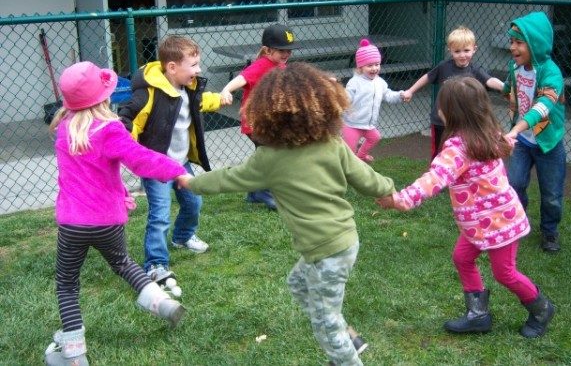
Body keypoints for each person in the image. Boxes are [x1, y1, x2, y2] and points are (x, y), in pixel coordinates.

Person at [180, 63, 396, 365]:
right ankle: (349, 339)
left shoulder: (270, 158)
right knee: (298, 284)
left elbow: (227, 178)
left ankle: (344, 353)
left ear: (267, 116)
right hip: (344, 240)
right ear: (322, 107)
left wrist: (191, 182)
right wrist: (387, 191)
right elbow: (367, 179)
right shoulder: (332, 144)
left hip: (326, 250)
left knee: (325, 322)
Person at [377, 76, 555, 339]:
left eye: (441, 106)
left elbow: (434, 179)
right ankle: (478, 315)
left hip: (500, 222)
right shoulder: (485, 132)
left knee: (504, 272)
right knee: (462, 258)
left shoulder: (458, 149)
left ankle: (542, 309)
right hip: (479, 223)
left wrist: (399, 200)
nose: (438, 110)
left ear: (453, 112)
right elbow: (502, 145)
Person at [45, 62, 187, 366]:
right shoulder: (110, 130)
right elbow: (141, 160)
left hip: (72, 223)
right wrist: (177, 171)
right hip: (108, 221)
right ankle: (160, 302)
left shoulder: (64, 130)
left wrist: (120, 192)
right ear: (103, 98)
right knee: (122, 263)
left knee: (67, 283)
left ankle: (74, 355)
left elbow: (82, 174)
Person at [119, 35, 224, 283]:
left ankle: (183, 236)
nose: (199, 70)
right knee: (160, 213)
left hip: (180, 162)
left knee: (194, 203)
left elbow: (199, 102)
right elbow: (127, 118)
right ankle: (156, 263)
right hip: (156, 166)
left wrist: (219, 99)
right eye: (194, 65)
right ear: (173, 67)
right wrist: (129, 143)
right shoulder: (148, 94)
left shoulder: (188, 88)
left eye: (198, 64)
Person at [503, 11, 566, 253]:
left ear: (535, 44)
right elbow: (507, 88)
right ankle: (519, 221)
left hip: (547, 142)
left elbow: (542, 108)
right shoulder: (515, 67)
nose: (513, 48)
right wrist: (479, 83)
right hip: (522, 142)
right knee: (515, 183)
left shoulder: (551, 72)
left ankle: (550, 231)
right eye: (512, 42)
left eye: (519, 43)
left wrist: (516, 129)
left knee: (551, 193)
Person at [219, 23, 298, 210]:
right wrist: (226, 89)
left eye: (289, 50)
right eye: (281, 50)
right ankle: (265, 192)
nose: (286, 54)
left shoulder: (280, 65)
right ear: (268, 50)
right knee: (272, 156)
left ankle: (254, 192)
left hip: (269, 123)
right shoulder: (262, 64)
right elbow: (242, 78)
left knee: (265, 156)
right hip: (256, 123)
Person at [402, 26, 504, 160]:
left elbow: (490, 80)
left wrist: (505, 86)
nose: (462, 55)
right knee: (439, 153)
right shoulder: (444, 67)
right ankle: (437, 177)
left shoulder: (476, 70)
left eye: (466, 50)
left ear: (474, 49)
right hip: (440, 120)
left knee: (460, 152)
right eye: (457, 51)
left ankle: (457, 178)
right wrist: (410, 91)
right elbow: (427, 77)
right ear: (450, 51)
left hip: (463, 121)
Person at [341, 38, 404, 163]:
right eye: (370, 65)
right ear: (360, 67)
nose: (374, 68)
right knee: (349, 150)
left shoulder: (379, 82)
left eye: (377, 64)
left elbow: (388, 95)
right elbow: (345, 99)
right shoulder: (355, 83)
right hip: (352, 124)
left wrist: (400, 95)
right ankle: (346, 167)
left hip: (368, 124)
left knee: (375, 137)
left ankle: (361, 156)